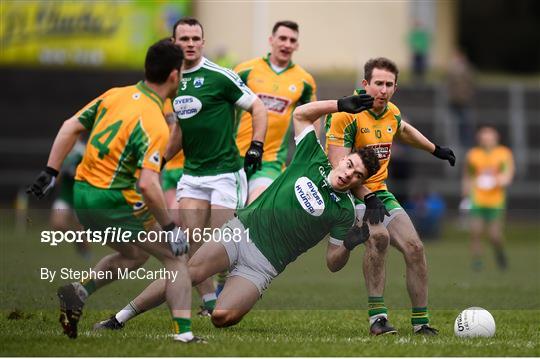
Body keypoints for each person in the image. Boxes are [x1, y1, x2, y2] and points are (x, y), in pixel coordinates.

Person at [94, 93, 380, 330]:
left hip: (263, 264)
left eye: (358, 175)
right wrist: (340, 105)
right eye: (350, 165)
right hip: (242, 231)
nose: (349, 174)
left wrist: (349, 244)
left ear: (361, 182)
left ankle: (231, 285)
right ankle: (119, 319)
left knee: (222, 317)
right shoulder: (312, 157)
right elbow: (301, 113)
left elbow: (333, 262)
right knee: (188, 272)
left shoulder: (344, 211)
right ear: (343, 160)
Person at [26, 39, 199, 343]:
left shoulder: (114, 95)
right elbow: (147, 184)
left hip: (82, 196)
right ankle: (183, 335)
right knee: (175, 258)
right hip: (115, 200)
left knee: (134, 255)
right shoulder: (155, 122)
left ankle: (78, 292)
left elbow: (70, 126)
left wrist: (50, 172)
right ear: (174, 76)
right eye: (181, 73)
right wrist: (171, 228)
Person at [326, 57, 456, 335]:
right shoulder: (345, 116)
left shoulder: (391, 113)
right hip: (350, 195)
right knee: (379, 238)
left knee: (415, 248)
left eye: (389, 85)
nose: (383, 90)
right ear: (365, 84)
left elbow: (404, 131)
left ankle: (421, 323)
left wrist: (436, 149)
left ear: (395, 87)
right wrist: (367, 197)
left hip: (379, 193)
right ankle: (377, 319)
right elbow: (340, 171)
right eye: (378, 84)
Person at [162, 17, 268, 315]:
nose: (191, 44)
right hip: (193, 175)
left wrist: (256, 146)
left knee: (222, 246)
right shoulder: (172, 81)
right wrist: (158, 161)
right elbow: (180, 130)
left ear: (203, 42)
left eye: (196, 39)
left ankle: (239, 287)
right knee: (193, 243)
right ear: (174, 43)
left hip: (225, 174)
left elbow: (257, 107)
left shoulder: (219, 76)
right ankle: (210, 304)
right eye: (185, 39)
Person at [235, 20, 317, 203]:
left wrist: (310, 153)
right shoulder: (245, 70)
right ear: (271, 39)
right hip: (234, 156)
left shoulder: (304, 80)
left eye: (292, 40)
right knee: (225, 213)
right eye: (282, 38)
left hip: (271, 161)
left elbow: (313, 116)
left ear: (297, 45)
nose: (287, 44)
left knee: (256, 205)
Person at [462, 125, 514, 271]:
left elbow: (507, 176)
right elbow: (468, 175)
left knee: (494, 235)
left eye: (489, 137)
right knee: (476, 232)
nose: (486, 140)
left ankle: (500, 253)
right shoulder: (473, 154)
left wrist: (495, 181)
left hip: (496, 200)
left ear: (495, 138)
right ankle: (477, 263)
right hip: (477, 199)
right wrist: (466, 191)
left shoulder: (504, 154)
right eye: (483, 137)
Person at [50, 138, 91, 259]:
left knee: (81, 230)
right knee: (58, 225)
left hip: (80, 196)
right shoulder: (62, 151)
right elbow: (57, 176)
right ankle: (76, 240)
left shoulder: (82, 152)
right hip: (65, 196)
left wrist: (75, 173)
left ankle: (84, 250)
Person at [447, 49, 475, 148]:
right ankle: (453, 142)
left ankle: (466, 144)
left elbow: (469, 82)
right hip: (453, 100)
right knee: (452, 122)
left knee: (465, 123)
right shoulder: (452, 69)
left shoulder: (466, 69)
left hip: (463, 100)